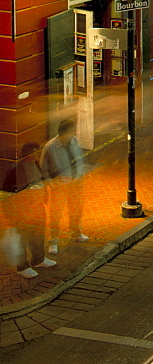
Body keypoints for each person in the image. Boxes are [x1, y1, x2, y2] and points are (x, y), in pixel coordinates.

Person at [1, 142, 55, 278]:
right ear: (27, 154)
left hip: (37, 208)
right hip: (23, 211)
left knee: (38, 235)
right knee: (23, 239)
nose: (37, 154)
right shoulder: (15, 170)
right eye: (35, 152)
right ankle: (22, 267)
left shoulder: (36, 164)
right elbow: (8, 193)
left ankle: (39, 259)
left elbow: (41, 180)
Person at [40, 119, 89, 252]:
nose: (73, 134)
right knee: (56, 212)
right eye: (71, 131)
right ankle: (53, 240)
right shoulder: (50, 147)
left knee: (76, 208)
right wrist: (51, 183)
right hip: (60, 185)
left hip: (76, 182)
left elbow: (79, 158)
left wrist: (80, 174)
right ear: (64, 132)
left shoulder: (75, 141)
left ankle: (75, 233)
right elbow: (44, 168)